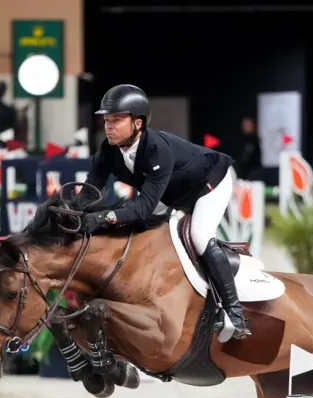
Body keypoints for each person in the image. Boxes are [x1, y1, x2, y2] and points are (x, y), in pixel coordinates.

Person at [80, 84, 250, 340]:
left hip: (209, 183)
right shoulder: (108, 151)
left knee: (200, 236)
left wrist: (104, 218)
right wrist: (71, 213)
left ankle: (234, 314)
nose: (109, 126)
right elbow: (90, 193)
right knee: (137, 234)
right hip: (171, 193)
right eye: (106, 120)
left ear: (138, 123)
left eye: (116, 119)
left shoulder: (156, 148)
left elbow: (144, 208)